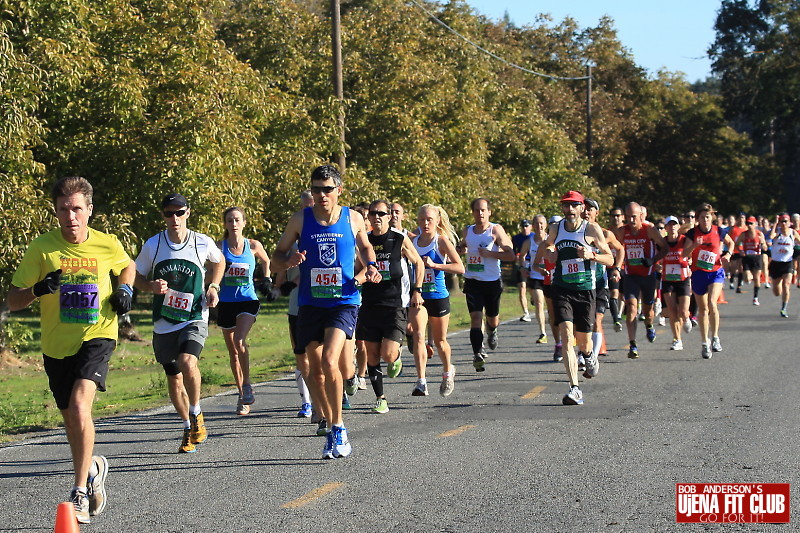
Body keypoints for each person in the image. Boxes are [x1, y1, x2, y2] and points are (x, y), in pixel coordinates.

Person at [9, 176, 135, 523]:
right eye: (64, 210)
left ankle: (79, 491)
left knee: (81, 406)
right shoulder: (42, 249)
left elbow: (127, 265)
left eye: (77, 209)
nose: (71, 217)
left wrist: (125, 289)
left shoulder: (107, 243)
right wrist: (38, 288)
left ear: (89, 210)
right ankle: (93, 466)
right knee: (71, 417)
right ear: (56, 211)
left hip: (98, 334)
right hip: (56, 345)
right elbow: (13, 299)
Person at [271, 165, 381, 459]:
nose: (321, 195)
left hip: (343, 300)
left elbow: (367, 247)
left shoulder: (352, 218)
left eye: (327, 189)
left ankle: (340, 428)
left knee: (331, 360)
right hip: (310, 302)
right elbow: (275, 261)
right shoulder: (300, 220)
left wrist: (371, 266)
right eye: (317, 189)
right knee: (315, 369)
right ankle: (332, 426)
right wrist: (290, 260)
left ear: (339, 191)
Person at [135, 193, 224, 453]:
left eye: (179, 212)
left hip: (194, 315)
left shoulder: (201, 241)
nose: (174, 218)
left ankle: (196, 412)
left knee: (188, 362)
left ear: (188, 213)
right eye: (168, 213)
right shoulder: (154, 245)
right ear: (162, 216)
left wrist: (214, 286)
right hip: (164, 320)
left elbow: (219, 262)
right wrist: (149, 285)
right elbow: (135, 275)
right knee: (174, 378)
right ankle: (187, 427)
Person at [535, 191, 613, 405]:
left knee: (584, 341)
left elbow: (610, 258)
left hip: (586, 290)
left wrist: (592, 255)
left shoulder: (591, 229)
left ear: (582, 208)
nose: (569, 210)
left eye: (573, 206)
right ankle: (574, 388)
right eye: (565, 205)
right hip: (562, 288)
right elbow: (549, 245)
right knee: (567, 337)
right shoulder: (556, 228)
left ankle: (589, 355)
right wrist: (550, 252)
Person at [354, 200, 426, 412]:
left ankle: (396, 358)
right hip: (370, 303)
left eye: (381, 214)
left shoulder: (398, 238)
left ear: (388, 216)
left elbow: (418, 263)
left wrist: (417, 289)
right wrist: (356, 281)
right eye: (373, 214)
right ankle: (381, 398)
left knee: (387, 354)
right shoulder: (364, 242)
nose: (377, 217)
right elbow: (359, 268)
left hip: (395, 303)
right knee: (372, 354)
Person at [216, 207, 271, 415]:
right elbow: (207, 265)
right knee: (233, 352)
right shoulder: (219, 247)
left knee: (239, 341)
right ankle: (242, 396)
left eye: (237, 220)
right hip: (226, 302)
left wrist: (267, 279)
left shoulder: (253, 245)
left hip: (248, 300)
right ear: (226, 224)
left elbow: (266, 261)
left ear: (244, 223)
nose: (234, 224)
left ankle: (247, 384)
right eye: (230, 220)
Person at [411, 204, 464, 394]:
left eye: (429, 220)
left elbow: (460, 267)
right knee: (418, 334)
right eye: (422, 220)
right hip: (419, 297)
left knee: (441, 341)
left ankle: (448, 371)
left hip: (438, 295)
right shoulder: (413, 241)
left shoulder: (440, 241)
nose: (425, 224)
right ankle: (421, 381)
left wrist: (436, 265)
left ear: (437, 221)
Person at [459, 198, 515, 371]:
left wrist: (491, 254)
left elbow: (511, 255)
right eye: (476, 210)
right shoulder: (467, 231)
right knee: (476, 318)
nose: (480, 213)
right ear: (473, 212)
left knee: (492, 318)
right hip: (472, 280)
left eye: (483, 210)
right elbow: (462, 246)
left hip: (491, 282)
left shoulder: (495, 230)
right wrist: (461, 249)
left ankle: (492, 330)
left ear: (489, 212)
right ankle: (477, 353)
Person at [611, 202, 669, 359]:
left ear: (641, 216)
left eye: (634, 217)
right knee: (631, 307)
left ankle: (649, 325)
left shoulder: (649, 230)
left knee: (648, 311)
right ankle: (633, 344)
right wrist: (617, 266)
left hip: (647, 275)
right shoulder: (623, 231)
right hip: (630, 276)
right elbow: (615, 248)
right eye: (628, 217)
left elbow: (665, 248)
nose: (631, 220)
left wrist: (653, 260)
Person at [682, 203, 737, 358]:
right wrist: (694, 245)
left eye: (707, 217)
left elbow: (731, 243)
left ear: (712, 217)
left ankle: (715, 338)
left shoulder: (718, 230)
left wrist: (728, 254)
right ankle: (705, 342)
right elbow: (684, 255)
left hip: (716, 272)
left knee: (713, 303)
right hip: (699, 273)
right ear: (698, 219)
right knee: (703, 308)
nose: (705, 220)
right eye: (702, 217)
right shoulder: (692, 233)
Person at [583, 199, 623, 360]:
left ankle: (592, 358)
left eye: (590, 209)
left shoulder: (605, 234)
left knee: (597, 319)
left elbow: (620, 249)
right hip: (580, 283)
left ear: (596, 213)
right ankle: (583, 352)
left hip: (599, 281)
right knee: (582, 321)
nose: (586, 212)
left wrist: (617, 268)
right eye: (584, 209)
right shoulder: (573, 233)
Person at [660, 216, 692, 350]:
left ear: (678, 227)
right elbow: (657, 255)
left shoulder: (684, 240)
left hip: (683, 279)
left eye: (675, 224)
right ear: (666, 228)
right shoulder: (662, 242)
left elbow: (692, 253)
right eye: (669, 225)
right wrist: (657, 265)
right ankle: (677, 339)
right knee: (672, 311)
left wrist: (690, 261)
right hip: (668, 279)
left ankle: (687, 318)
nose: (672, 227)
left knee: (683, 311)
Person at [517, 215, 549, 344]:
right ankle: (543, 332)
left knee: (552, 307)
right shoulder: (529, 241)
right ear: (533, 226)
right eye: (536, 224)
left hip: (550, 276)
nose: (539, 226)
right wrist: (522, 267)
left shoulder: (551, 239)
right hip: (535, 276)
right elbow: (522, 255)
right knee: (539, 304)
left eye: (541, 223)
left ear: (545, 225)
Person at [768, 213, 800, 317]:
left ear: (789, 222)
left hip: (788, 263)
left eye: (786, 221)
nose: (784, 224)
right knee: (777, 291)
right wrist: (775, 224)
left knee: (786, 285)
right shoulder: (777, 232)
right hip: (776, 263)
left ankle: (784, 308)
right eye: (782, 221)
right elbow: (771, 236)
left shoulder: (793, 233)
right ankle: (779, 292)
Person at [733, 216, 767, 305]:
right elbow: (736, 244)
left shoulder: (759, 234)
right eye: (748, 223)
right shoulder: (743, 234)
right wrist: (740, 251)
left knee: (756, 279)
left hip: (757, 257)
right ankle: (747, 278)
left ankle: (755, 297)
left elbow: (765, 247)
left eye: (751, 223)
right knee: (747, 277)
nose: (749, 225)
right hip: (747, 258)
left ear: (755, 224)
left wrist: (762, 243)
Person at [607, 207, 626, 331]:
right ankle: (616, 318)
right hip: (611, 266)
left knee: (623, 295)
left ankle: (621, 313)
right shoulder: (607, 232)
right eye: (613, 215)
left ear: (623, 217)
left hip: (627, 266)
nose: (616, 218)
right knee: (614, 292)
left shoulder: (627, 231)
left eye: (618, 215)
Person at [512, 219, 533, 321]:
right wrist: (516, 256)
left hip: (534, 263)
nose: (525, 228)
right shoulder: (516, 238)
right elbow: (513, 251)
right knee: (522, 287)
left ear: (531, 227)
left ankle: (534, 297)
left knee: (533, 288)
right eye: (523, 226)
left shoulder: (534, 237)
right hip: (522, 264)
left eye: (526, 226)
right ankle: (526, 312)